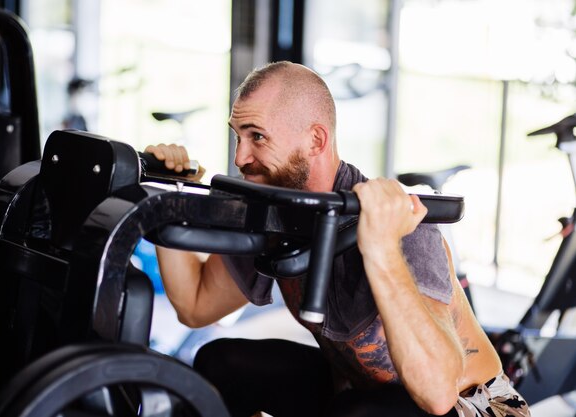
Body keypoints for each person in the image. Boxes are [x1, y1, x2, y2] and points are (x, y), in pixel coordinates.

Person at [144, 61, 530, 417]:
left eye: (257, 137)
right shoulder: (276, 210)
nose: (241, 157)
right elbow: (196, 306)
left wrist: (381, 249)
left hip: (474, 407)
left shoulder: (399, 223)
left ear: (315, 140)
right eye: (238, 137)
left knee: (357, 413)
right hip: (354, 392)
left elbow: (438, 395)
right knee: (220, 362)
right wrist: (169, 194)